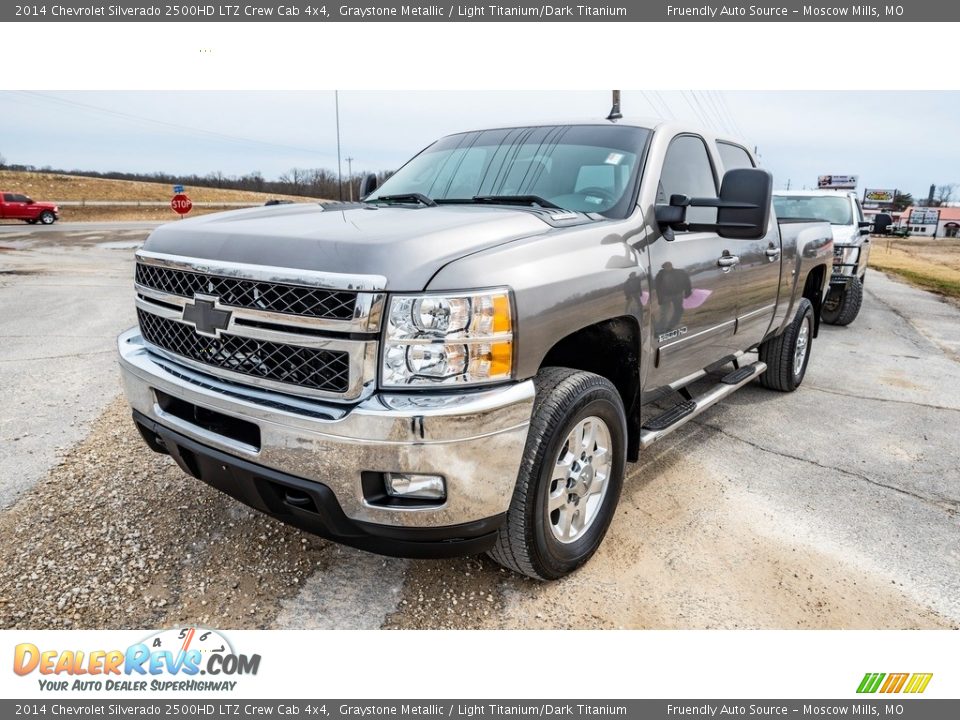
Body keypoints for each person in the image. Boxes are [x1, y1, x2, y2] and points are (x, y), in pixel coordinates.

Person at [654, 261, 692, 335]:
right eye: (666, 266)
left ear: (671, 265)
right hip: (665, 296)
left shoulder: (679, 272)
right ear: (663, 267)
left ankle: (670, 326)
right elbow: (657, 288)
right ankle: (660, 329)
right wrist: (660, 299)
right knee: (664, 313)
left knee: (679, 310)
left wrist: (688, 291)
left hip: (678, 295)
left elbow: (686, 281)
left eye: (669, 265)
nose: (668, 266)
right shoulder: (660, 275)